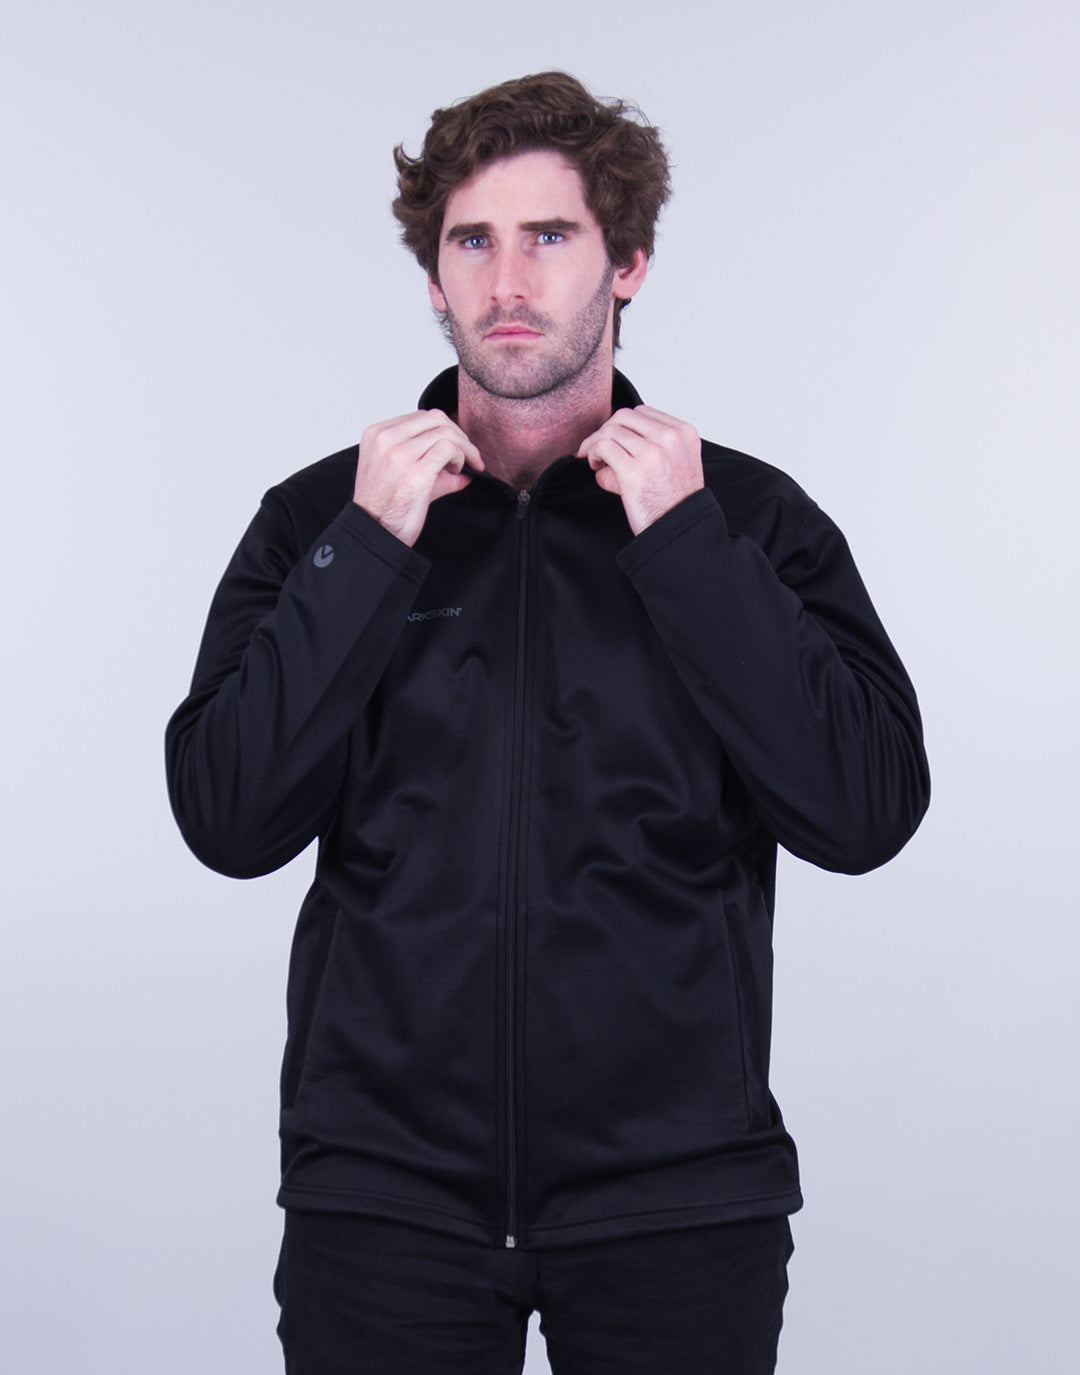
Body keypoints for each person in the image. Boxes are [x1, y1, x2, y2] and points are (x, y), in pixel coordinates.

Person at [166, 71, 929, 1375]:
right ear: (433, 276)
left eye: (551, 236)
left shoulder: (746, 521)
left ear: (627, 264)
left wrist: (687, 548)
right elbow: (229, 820)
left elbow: (864, 813)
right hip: (384, 1205)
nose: (507, 280)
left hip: (677, 1205)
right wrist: (368, 550)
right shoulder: (321, 522)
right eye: (472, 240)